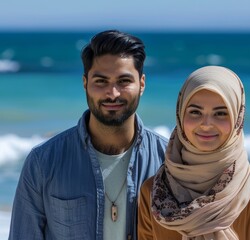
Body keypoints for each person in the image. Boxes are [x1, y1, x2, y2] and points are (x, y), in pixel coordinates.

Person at [9, 30, 168, 240]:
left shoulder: (168, 160)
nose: (112, 93)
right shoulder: (44, 162)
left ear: (142, 84)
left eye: (123, 81)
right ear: (85, 83)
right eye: (101, 81)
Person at [138, 66, 250, 240]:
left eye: (221, 113)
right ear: (180, 114)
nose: (206, 124)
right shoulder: (154, 192)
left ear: (238, 118)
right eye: (195, 112)